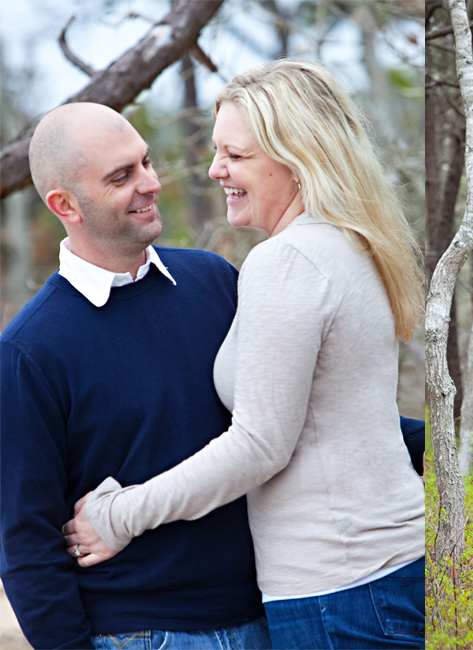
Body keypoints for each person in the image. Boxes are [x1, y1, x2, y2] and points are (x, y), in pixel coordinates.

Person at [64, 59, 426, 650]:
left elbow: (259, 444)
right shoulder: (349, 242)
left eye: (236, 155)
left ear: (295, 155)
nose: (215, 170)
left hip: (337, 587)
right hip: (383, 573)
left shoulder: (288, 260)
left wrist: (118, 516)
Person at [0, 103, 271, 649]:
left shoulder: (215, 282)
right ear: (64, 205)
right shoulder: (28, 352)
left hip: (268, 616)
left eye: (145, 162)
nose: (150, 183)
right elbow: (26, 541)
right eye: (121, 177)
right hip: (140, 634)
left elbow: (284, 416)